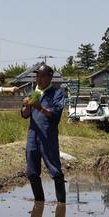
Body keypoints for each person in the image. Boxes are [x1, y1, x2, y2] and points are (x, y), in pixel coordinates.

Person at [21, 64, 66, 203]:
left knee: (55, 171)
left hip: (48, 136)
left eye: (42, 76)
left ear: (50, 77)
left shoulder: (57, 93)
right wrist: (27, 105)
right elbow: (25, 114)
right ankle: (39, 202)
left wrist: (39, 107)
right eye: (37, 75)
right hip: (33, 136)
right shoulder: (34, 92)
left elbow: (54, 114)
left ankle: (61, 204)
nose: (39, 79)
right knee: (31, 172)